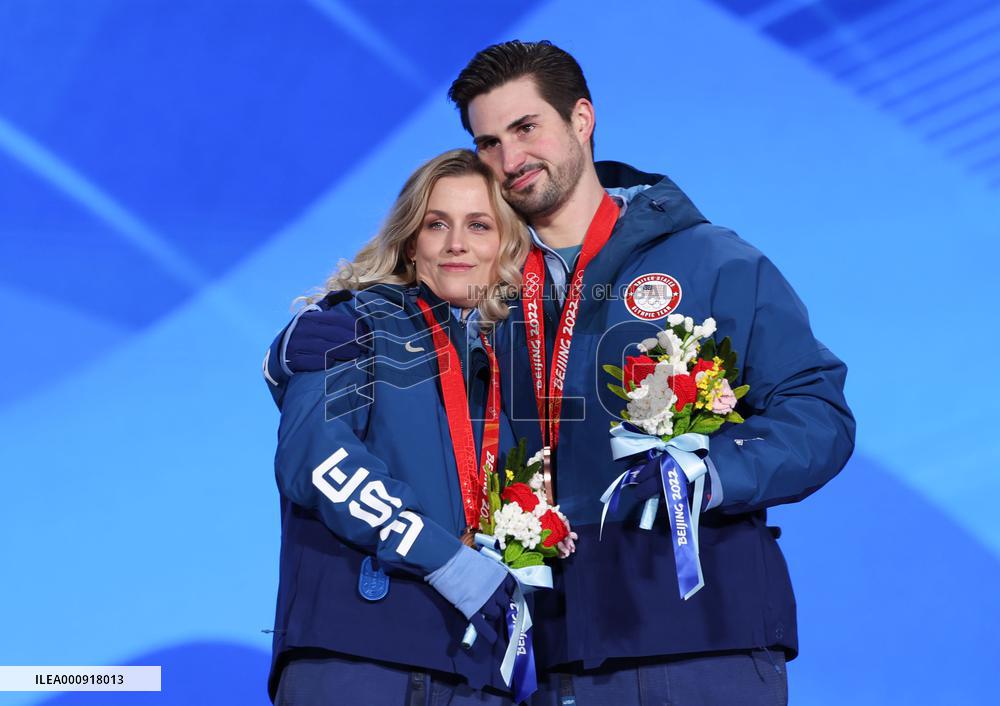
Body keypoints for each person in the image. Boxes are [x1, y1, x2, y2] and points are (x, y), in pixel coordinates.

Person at [279, 40, 855, 705]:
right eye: (488, 141)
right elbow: (377, 363)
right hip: (538, 654)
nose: (510, 159)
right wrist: (285, 351)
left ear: (582, 119)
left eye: (527, 128)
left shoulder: (709, 263)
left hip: (699, 636)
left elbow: (818, 411)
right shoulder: (481, 292)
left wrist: (715, 473)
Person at [260, 149, 535, 705]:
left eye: (478, 225)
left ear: (507, 247)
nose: (457, 243)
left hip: (482, 671)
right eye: (438, 224)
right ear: (413, 244)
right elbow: (316, 462)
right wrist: (447, 560)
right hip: (362, 659)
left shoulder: (515, 365)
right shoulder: (350, 323)